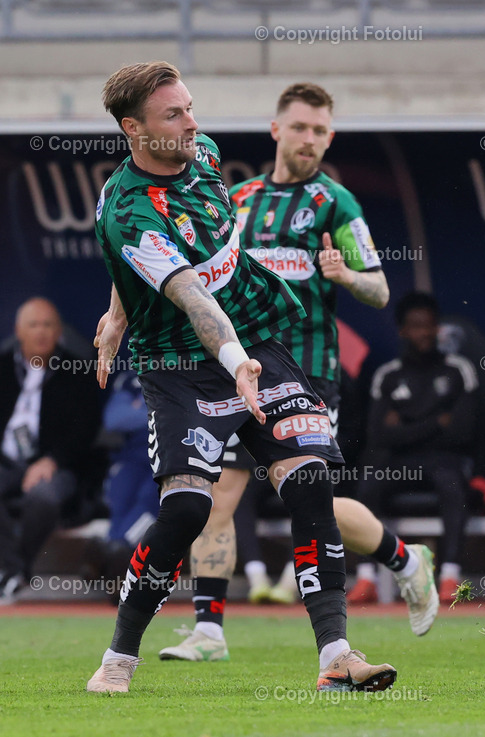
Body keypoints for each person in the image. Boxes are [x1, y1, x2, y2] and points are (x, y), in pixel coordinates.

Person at [87, 61, 394, 693]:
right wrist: (233, 365)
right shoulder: (128, 212)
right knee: (189, 510)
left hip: (258, 335)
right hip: (181, 365)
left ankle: (336, 657)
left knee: (309, 481)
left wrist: (115, 313)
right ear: (133, 129)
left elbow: (162, 274)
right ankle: (118, 658)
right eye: (174, 114)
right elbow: (194, 299)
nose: (193, 122)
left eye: (190, 106)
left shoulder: (202, 152)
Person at [158, 82, 439, 663]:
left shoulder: (336, 204)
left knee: (315, 502)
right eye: (300, 127)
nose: (309, 139)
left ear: (329, 138)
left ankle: (408, 561)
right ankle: (208, 631)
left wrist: (344, 277)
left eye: (320, 131)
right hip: (238, 372)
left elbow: (381, 290)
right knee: (216, 496)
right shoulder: (235, 199)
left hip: (307, 376)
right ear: (276, 130)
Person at [356, 292, 478, 603]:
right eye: (415, 326)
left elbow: (464, 432)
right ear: (402, 331)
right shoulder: (388, 374)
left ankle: (450, 573)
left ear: (438, 328)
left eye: (429, 326)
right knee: (368, 484)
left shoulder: (458, 370)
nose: (423, 332)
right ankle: (365, 577)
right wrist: (437, 422)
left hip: (442, 461)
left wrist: (405, 425)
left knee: (453, 486)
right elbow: (378, 436)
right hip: (400, 462)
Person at [0, 298, 101, 603]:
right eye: (33, 324)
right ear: (19, 330)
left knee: (43, 497)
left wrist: (52, 460)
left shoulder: (77, 371)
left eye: (48, 325)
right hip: (6, 463)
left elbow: (86, 430)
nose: (41, 332)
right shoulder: (2, 369)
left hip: (57, 467)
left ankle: (16, 572)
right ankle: (12, 571)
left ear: (59, 331)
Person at [95, 370, 160, 602]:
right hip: (132, 457)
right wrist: (154, 412)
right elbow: (114, 419)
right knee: (120, 491)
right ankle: (114, 562)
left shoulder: (188, 370)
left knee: (151, 498)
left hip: (168, 457)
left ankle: (118, 554)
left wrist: (139, 409)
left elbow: (179, 417)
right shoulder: (131, 378)